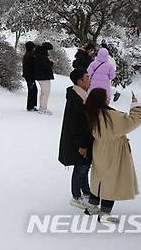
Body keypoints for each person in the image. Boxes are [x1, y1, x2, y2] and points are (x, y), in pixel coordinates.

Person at [83, 89, 141, 223]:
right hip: (113, 151)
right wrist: (136, 106)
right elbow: (133, 121)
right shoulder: (110, 116)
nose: (108, 98)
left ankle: (92, 207)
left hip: (99, 148)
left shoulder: (92, 112)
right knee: (111, 181)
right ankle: (104, 213)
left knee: (98, 178)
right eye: (106, 97)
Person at [58, 68, 92, 210]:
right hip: (78, 141)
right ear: (80, 81)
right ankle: (76, 196)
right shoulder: (78, 98)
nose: (89, 79)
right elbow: (77, 124)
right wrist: (82, 145)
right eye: (87, 77)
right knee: (81, 167)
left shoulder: (80, 95)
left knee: (84, 166)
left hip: (81, 139)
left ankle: (86, 192)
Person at [34, 42, 54, 115]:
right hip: (44, 76)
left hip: (40, 76)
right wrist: (51, 63)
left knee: (43, 93)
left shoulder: (38, 54)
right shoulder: (42, 56)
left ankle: (42, 107)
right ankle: (43, 108)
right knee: (45, 93)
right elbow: (44, 66)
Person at [22, 41, 38, 112]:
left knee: (34, 90)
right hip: (30, 76)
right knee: (32, 91)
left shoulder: (28, 55)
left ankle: (32, 105)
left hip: (29, 76)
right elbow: (32, 67)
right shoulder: (30, 56)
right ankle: (30, 106)